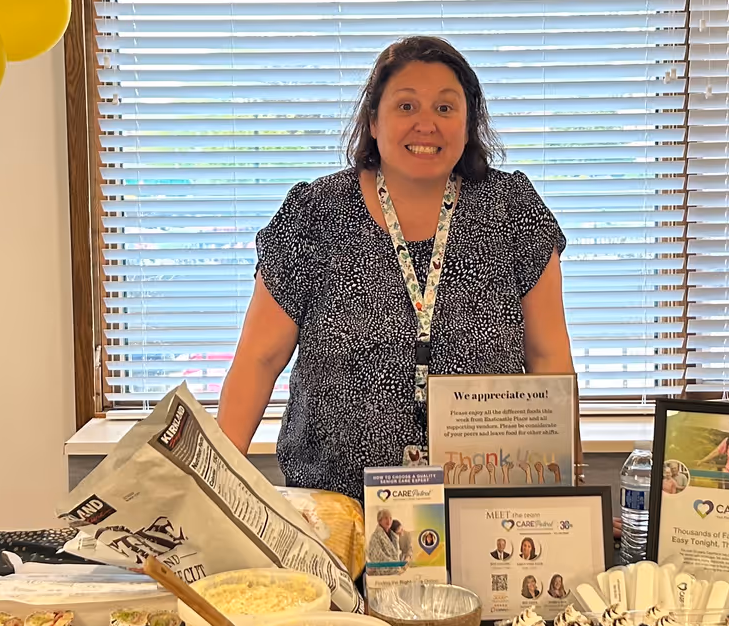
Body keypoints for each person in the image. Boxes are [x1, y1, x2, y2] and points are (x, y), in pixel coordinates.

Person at [219, 37, 574, 498]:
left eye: (446, 109)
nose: (426, 124)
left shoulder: (511, 210)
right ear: (372, 121)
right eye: (406, 106)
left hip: (482, 509)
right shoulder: (316, 213)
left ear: (468, 125)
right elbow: (258, 359)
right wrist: (218, 486)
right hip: (336, 506)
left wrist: (567, 505)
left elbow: (549, 361)